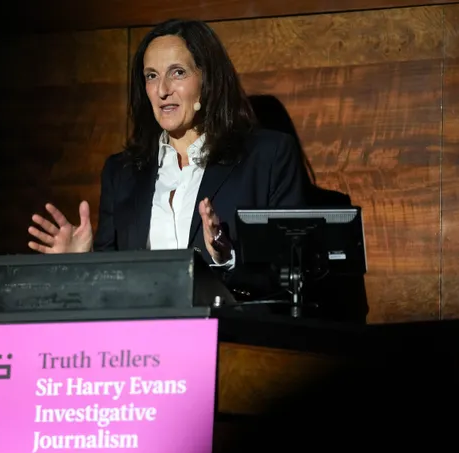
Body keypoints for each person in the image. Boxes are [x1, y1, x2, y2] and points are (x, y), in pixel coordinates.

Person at [27, 19, 306, 290]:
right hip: (141, 335)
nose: (162, 90)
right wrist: (80, 265)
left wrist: (227, 259)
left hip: (230, 333)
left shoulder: (267, 156)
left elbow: (291, 272)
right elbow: (111, 287)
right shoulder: (121, 172)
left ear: (207, 80)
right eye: (152, 76)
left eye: (177, 73)